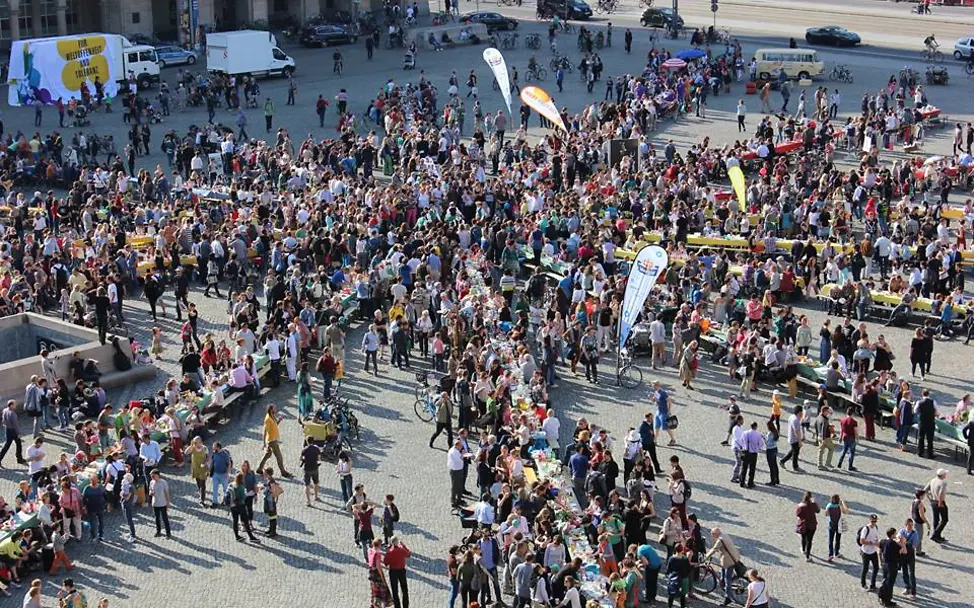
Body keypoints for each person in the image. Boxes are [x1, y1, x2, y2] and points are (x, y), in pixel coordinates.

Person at [704, 527, 742, 606]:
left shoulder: (720, 540)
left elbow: (714, 549)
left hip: (729, 560)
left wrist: (706, 557)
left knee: (727, 579)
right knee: (723, 575)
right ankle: (723, 582)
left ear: (715, 534)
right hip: (734, 556)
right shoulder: (725, 535)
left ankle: (728, 598)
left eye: (712, 534)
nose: (712, 536)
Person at [257, 404, 293, 478]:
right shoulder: (267, 419)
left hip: (273, 439)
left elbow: (275, 425)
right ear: (271, 409)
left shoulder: (272, 416)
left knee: (268, 454)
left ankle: (259, 468)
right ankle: (283, 472)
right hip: (272, 441)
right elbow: (265, 431)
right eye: (274, 408)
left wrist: (279, 420)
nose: (276, 409)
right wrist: (264, 443)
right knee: (279, 457)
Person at [878, 527, 905, 608]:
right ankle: (887, 600)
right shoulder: (892, 543)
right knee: (890, 583)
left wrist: (881, 562)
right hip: (892, 565)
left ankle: (881, 596)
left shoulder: (882, 541)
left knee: (885, 581)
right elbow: (902, 550)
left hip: (885, 564)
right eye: (895, 533)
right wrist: (901, 542)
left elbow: (879, 551)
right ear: (892, 534)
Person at [229, 471, 259, 542]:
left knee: (235, 521)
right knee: (246, 522)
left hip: (232, 505)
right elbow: (243, 498)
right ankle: (251, 537)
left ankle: (237, 536)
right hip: (240, 506)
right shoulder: (241, 487)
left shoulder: (231, 484)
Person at [385, 536, 411, 608]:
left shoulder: (389, 552)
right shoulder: (402, 550)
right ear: (397, 542)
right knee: (404, 590)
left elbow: (386, 563)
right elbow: (408, 554)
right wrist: (404, 546)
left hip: (393, 572)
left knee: (395, 591)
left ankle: (397, 606)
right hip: (401, 571)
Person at [924, 469, 949, 543]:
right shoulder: (943, 483)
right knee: (945, 519)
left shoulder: (933, 480)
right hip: (939, 502)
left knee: (936, 519)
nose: (946, 475)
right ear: (943, 475)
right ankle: (935, 535)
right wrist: (940, 503)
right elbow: (941, 494)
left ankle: (937, 536)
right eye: (945, 474)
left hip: (933, 502)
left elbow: (925, 490)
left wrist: (930, 498)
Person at [0, 399, 26, 467]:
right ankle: (19, 458)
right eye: (14, 404)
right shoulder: (13, 414)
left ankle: (0, 458)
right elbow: (15, 425)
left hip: (7, 430)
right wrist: (19, 433)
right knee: (18, 444)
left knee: (7, 446)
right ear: (11, 405)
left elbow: (3, 420)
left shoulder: (4, 410)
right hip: (13, 431)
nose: (15, 405)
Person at [795, 491, 820, 561]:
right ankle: (808, 556)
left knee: (803, 537)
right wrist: (815, 502)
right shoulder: (813, 504)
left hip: (803, 524)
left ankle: (803, 549)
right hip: (812, 524)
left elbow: (798, 514)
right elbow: (818, 511)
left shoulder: (800, 505)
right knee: (809, 540)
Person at [778, 405, 804, 472]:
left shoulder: (792, 417)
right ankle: (795, 466)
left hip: (791, 437)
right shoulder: (796, 421)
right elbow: (797, 432)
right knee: (795, 453)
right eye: (802, 413)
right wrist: (800, 441)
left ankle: (782, 461)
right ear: (799, 412)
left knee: (793, 451)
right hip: (794, 439)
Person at [859, 514, 881, 591]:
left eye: (875, 521)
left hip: (873, 551)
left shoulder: (876, 527)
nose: (874, 523)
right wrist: (871, 543)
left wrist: (878, 546)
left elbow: (876, 538)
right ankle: (863, 583)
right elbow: (861, 541)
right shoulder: (866, 529)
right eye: (872, 521)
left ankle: (873, 584)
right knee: (865, 568)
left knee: (876, 567)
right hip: (865, 552)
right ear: (869, 520)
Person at [148, 468, 172, 538]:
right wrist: (151, 493)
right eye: (151, 476)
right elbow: (150, 491)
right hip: (155, 503)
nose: (152, 478)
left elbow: (167, 493)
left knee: (165, 518)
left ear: (158, 475)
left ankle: (168, 533)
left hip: (162, 503)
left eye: (153, 476)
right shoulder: (151, 482)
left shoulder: (163, 483)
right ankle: (158, 531)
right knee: (157, 518)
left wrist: (168, 502)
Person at [300, 436, 322, 506]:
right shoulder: (316, 449)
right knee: (316, 483)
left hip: (307, 469)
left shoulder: (304, 449)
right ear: (313, 441)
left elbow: (301, 458)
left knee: (307, 485)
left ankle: (308, 501)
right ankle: (316, 496)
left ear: (307, 441)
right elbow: (319, 459)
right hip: (315, 468)